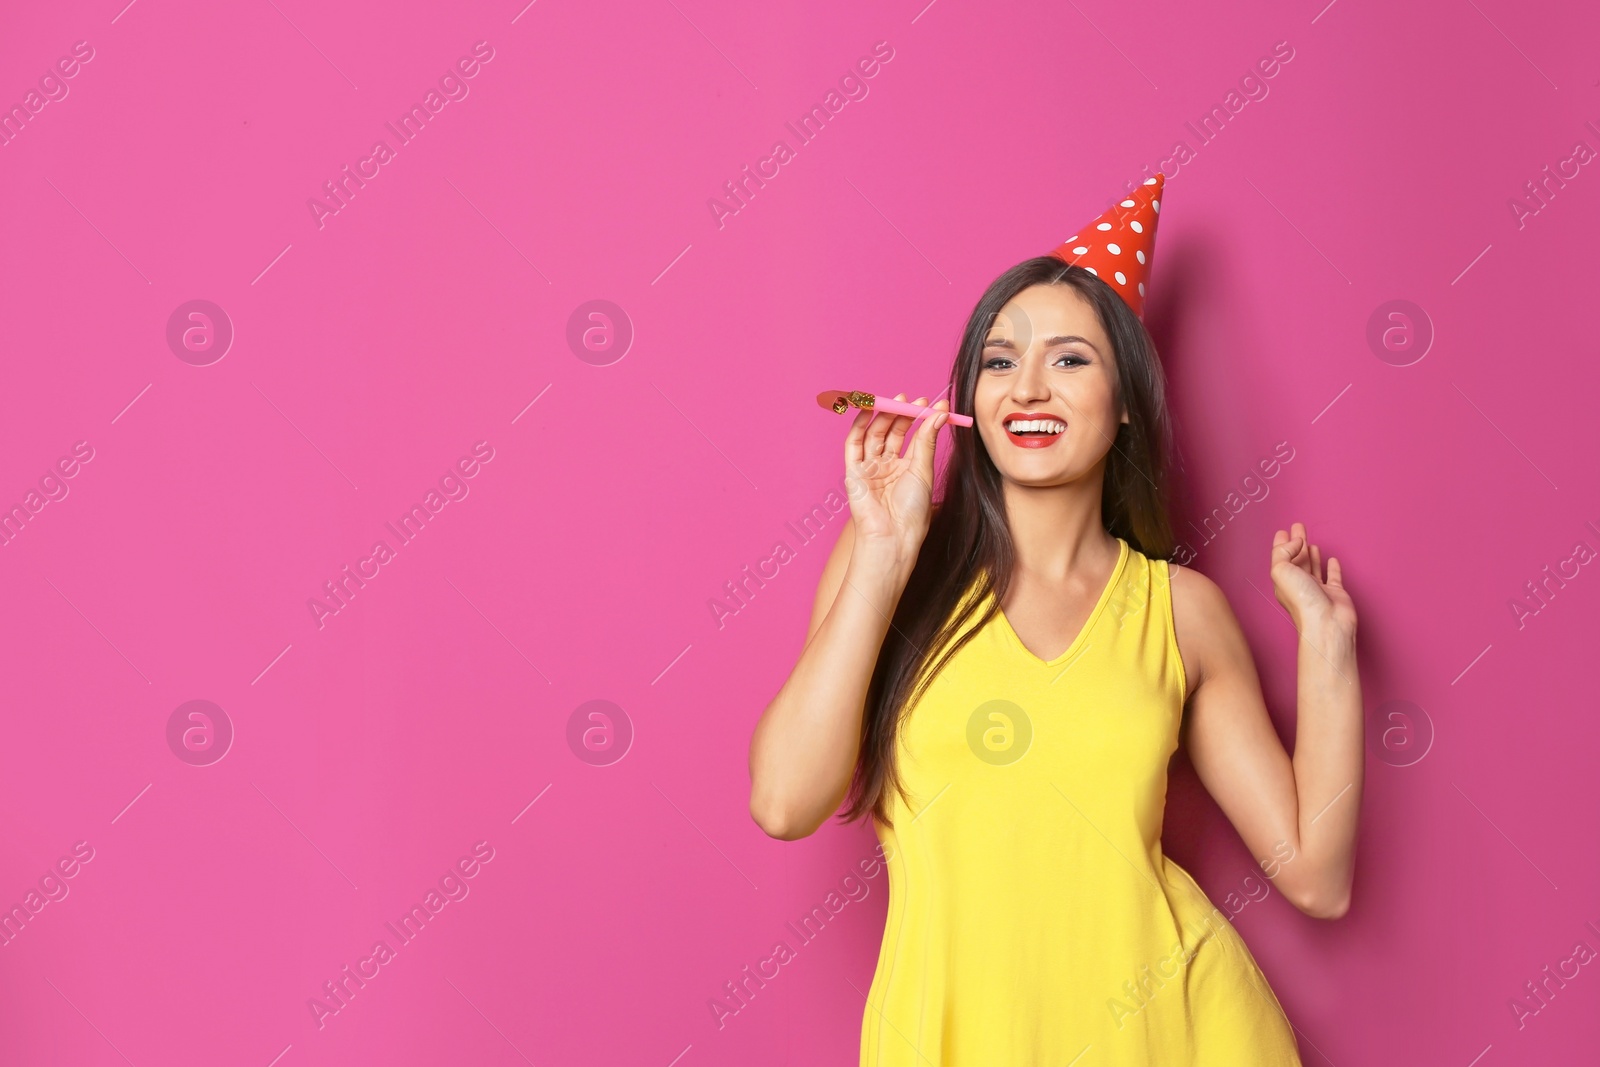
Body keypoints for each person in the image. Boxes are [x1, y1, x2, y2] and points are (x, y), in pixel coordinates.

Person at [746, 175, 1361, 1065]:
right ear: (972, 398)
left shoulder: (1180, 613)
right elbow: (782, 800)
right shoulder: (889, 562)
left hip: (1167, 1036)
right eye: (1000, 360)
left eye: (1069, 359)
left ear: (1122, 406)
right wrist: (883, 551)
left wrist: (1330, 651)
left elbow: (1318, 876)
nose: (1028, 386)